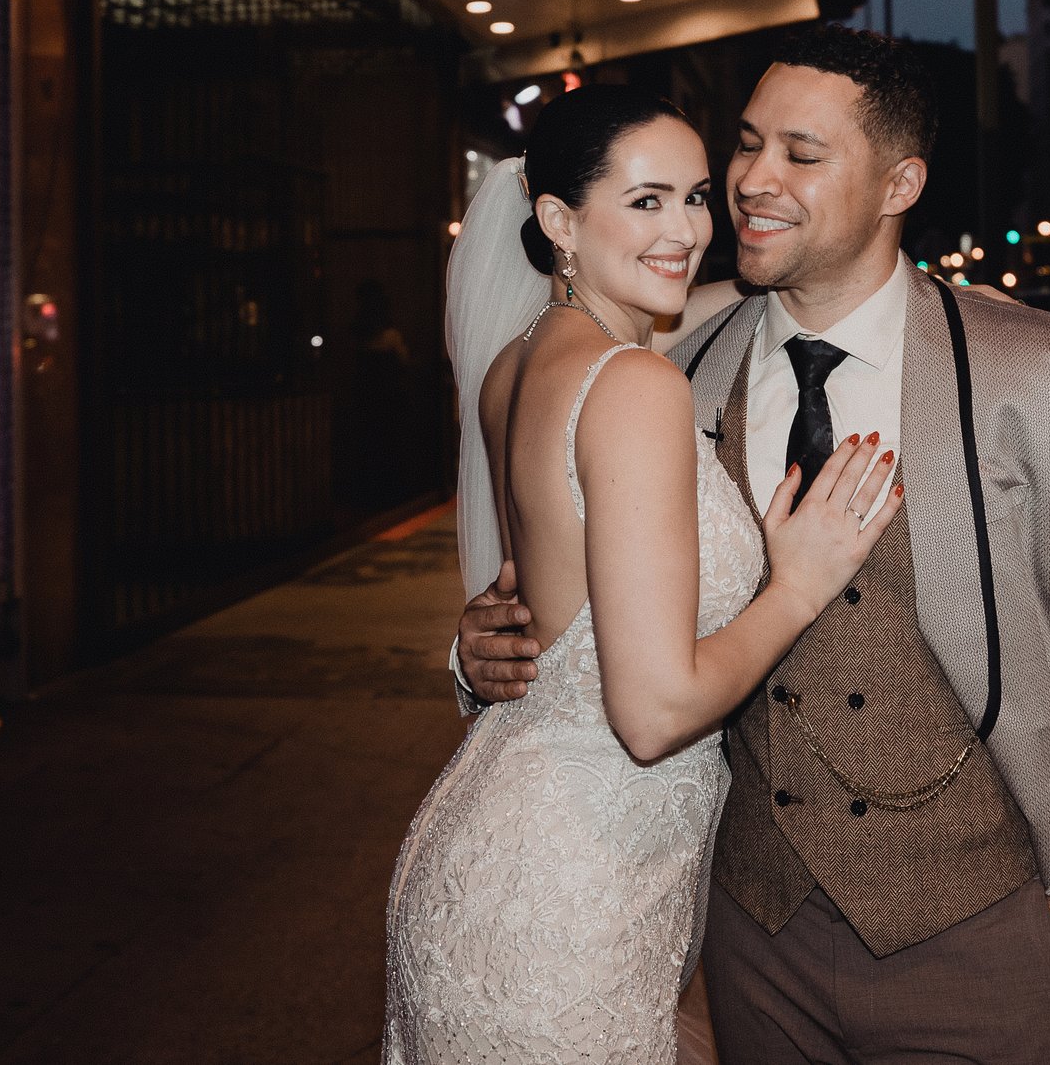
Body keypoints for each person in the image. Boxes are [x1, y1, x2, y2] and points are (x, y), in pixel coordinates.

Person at [458, 29, 1050, 1064]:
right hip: (748, 942)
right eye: (747, 144)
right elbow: (563, 571)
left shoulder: (1044, 371)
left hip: (986, 938)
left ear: (899, 182)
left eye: (800, 153)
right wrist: (482, 648)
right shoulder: (673, 350)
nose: (751, 180)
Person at [385, 87, 902, 1065]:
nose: (688, 230)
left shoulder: (518, 363)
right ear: (558, 221)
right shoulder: (635, 386)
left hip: (502, 855)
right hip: (568, 899)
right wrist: (797, 580)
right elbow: (655, 710)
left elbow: (541, 593)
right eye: (648, 200)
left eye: (696, 197)